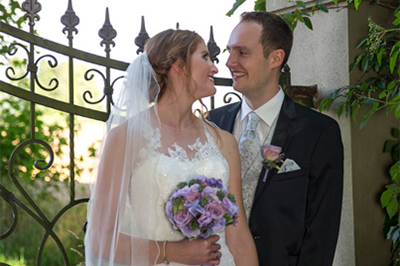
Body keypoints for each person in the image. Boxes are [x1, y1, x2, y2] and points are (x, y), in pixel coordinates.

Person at [84, 29, 258, 266]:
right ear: (178, 65)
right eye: (205, 57)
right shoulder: (126, 138)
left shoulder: (223, 141)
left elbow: (238, 238)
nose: (215, 68)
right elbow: (99, 239)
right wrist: (174, 252)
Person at [208, 12, 343, 266]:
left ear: (275, 58)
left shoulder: (319, 132)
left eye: (242, 53)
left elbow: (321, 231)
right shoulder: (213, 123)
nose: (229, 62)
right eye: (229, 51)